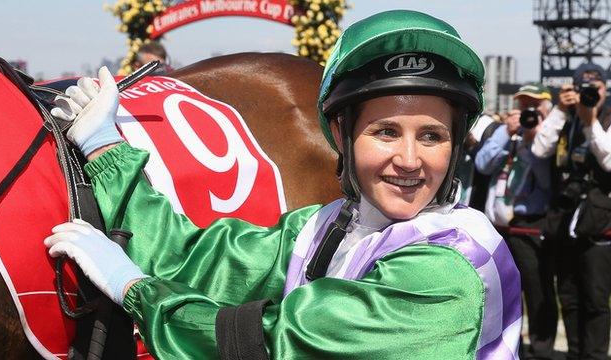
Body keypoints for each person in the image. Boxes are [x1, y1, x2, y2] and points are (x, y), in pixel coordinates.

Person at [45, 10, 522, 359]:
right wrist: (106, 148)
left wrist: (135, 289)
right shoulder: (328, 225)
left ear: (455, 146)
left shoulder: (449, 272)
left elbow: (270, 344)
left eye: (433, 136)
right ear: (340, 135)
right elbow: (201, 259)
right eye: (386, 132)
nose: (410, 160)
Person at [532, 63, 611, 360]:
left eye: (597, 88)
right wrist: (560, 111)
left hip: (599, 223)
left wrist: (590, 121)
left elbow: (609, 161)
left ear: (605, 88)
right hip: (564, 218)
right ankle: (575, 354)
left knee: (595, 299)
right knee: (568, 295)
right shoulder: (565, 117)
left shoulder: (607, 117)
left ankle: (595, 356)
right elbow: (540, 150)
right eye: (584, 89)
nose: (591, 94)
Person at [475, 83, 556, 359]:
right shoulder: (506, 134)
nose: (526, 112)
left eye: (533, 106)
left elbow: (547, 180)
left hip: (530, 224)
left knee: (537, 291)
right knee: (505, 293)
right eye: (522, 106)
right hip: (499, 226)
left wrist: (534, 140)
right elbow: (483, 164)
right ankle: (510, 347)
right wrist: (505, 132)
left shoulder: (546, 139)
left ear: (546, 109)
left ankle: (541, 350)